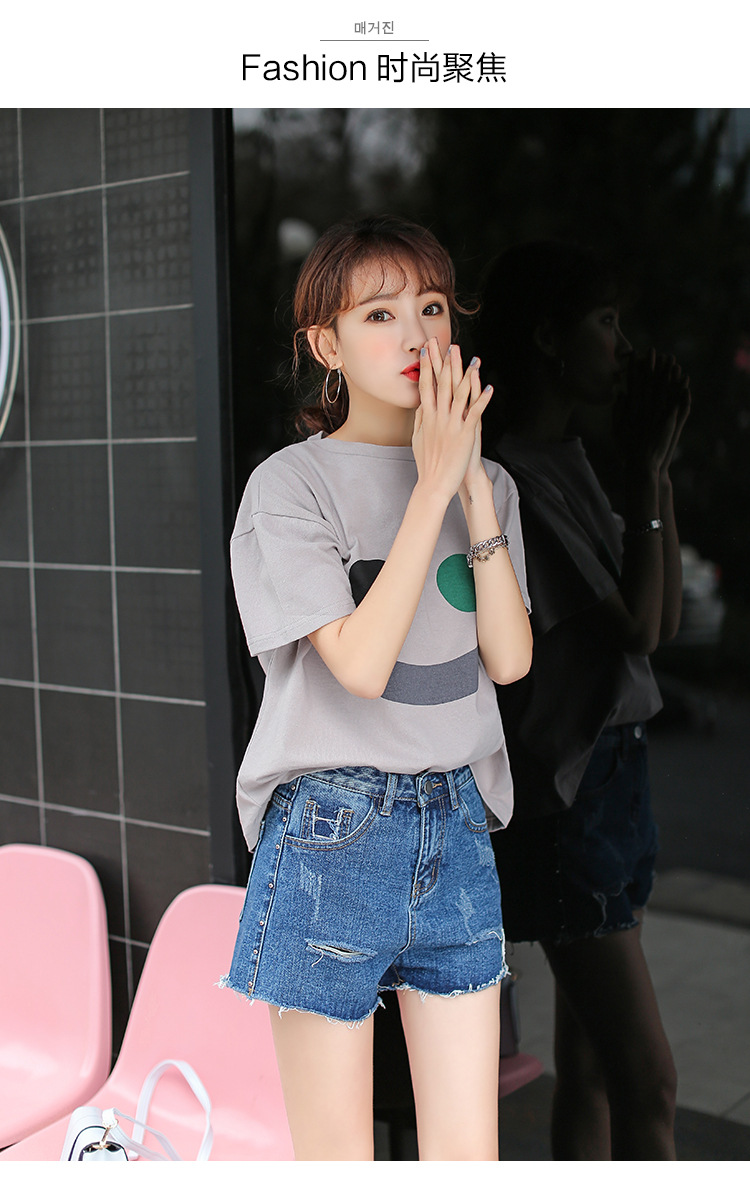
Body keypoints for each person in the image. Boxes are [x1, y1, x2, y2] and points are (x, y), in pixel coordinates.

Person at [220, 215, 533, 1161]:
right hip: (333, 830)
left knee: (468, 1161)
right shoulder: (290, 487)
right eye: (380, 314)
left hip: (458, 824)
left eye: (432, 307)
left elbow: (510, 659)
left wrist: (468, 486)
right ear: (327, 345)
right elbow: (356, 665)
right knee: (339, 1165)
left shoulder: (492, 485)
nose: (416, 335)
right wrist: (432, 489)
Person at [475, 239, 690, 1160]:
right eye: (605, 322)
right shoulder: (512, 481)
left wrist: (655, 470)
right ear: (548, 339)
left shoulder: (562, 459)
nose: (622, 345)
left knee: (596, 1068)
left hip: (608, 786)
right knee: (650, 1080)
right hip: (572, 803)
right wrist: (644, 469)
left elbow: (662, 618)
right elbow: (635, 626)